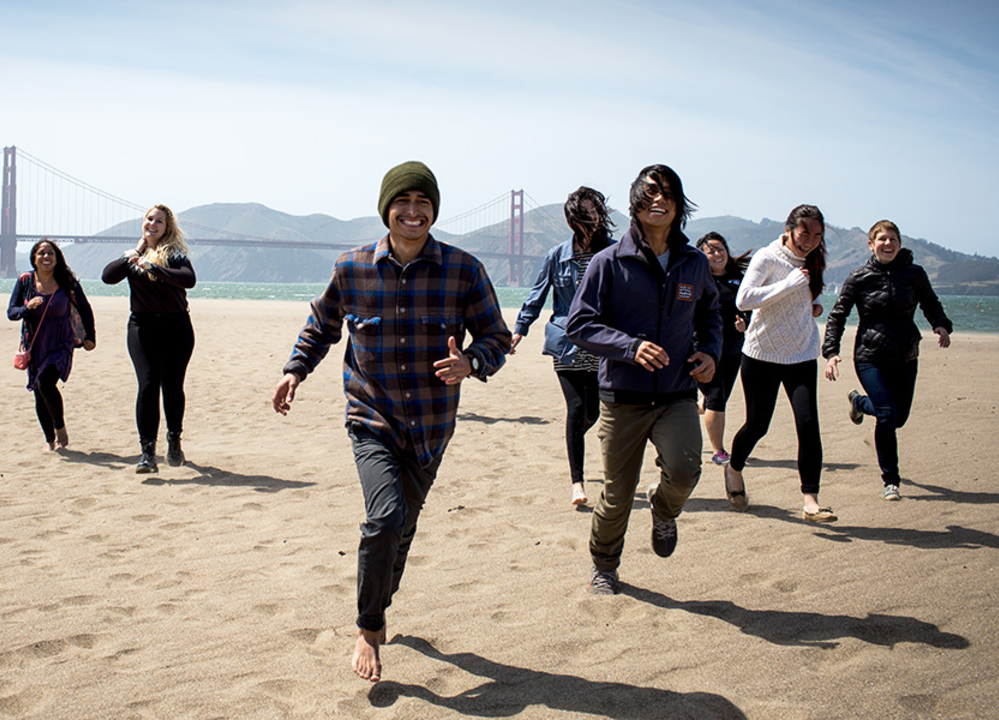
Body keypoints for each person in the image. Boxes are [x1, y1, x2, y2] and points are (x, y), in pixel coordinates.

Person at [271, 161, 510, 682]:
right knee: (384, 519)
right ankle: (369, 628)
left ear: (433, 212)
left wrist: (473, 361)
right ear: (387, 209)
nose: (413, 211)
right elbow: (321, 327)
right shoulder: (352, 267)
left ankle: (379, 596)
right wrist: (295, 371)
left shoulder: (463, 270)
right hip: (371, 417)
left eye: (423, 203)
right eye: (403, 202)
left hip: (431, 426)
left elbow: (496, 336)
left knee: (401, 529)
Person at [566, 164, 720, 596]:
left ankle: (664, 509)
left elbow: (711, 315)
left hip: (677, 394)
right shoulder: (608, 262)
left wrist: (710, 352)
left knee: (687, 470)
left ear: (679, 206)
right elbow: (579, 323)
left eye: (668, 193)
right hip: (622, 397)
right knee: (616, 495)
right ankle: (605, 567)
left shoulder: (693, 264)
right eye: (650, 192)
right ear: (635, 201)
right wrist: (628, 347)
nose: (659, 200)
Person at [822, 220, 952, 501]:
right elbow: (838, 315)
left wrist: (941, 324)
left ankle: (858, 402)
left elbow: (931, 303)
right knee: (885, 414)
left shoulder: (914, 274)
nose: (888, 243)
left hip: (906, 356)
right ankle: (891, 480)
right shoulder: (859, 277)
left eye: (893, 238)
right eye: (882, 239)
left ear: (900, 244)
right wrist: (831, 352)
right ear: (871, 245)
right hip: (870, 357)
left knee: (898, 417)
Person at [724, 205, 834, 522]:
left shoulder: (814, 259)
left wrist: (813, 305)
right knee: (758, 425)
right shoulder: (767, 257)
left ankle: (810, 499)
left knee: (808, 425)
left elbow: (805, 295)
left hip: (801, 352)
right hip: (762, 353)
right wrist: (789, 285)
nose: (810, 241)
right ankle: (734, 467)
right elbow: (744, 299)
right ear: (789, 229)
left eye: (817, 235)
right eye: (804, 234)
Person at [511, 186, 614, 506]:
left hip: (601, 343)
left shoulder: (613, 251)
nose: (591, 218)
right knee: (578, 409)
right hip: (566, 339)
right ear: (572, 219)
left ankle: (573, 443)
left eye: (594, 211)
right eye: (584, 213)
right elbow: (537, 293)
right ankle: (577, 482)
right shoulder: (557, 255)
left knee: (593, 413)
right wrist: (520, 329)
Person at [102, 205, 195, 473]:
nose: (153, 224)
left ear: (168, 228)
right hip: (142, 327)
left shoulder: (175, 254)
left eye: (159, 221)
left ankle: (174, 440)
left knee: (172, 386)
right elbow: (108, 277)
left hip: (176, 327)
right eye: (149, 219)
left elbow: (189, 280)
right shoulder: (132, 255)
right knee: (148, 385)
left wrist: (153, 266)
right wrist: (139, 250)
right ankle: (147, 453)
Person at [7, 239, 97, 451]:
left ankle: (60, 428)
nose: (46, 257)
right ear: (34, 258)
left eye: (51, 253)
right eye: (42, 253)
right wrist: (27, 308)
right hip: (34, 343)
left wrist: (90, 336)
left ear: (57, 259)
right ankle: (50, 441)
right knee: (38, 390)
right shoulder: (25, 281)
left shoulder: (67, 282)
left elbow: (84, 308)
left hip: (60, 342)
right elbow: (12, 312)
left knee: (46, 383)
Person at [694, 232, 752, 473]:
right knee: (717, 398)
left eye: (720, 249)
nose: (717, 254)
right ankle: (718, 450)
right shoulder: (697, 279)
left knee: (720, 398)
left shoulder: (740, 278)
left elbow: (751, 307)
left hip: (732, 348)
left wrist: (745, 324)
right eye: (711, 251)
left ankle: (703, 403)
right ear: (702, 256)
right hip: (704, 348)